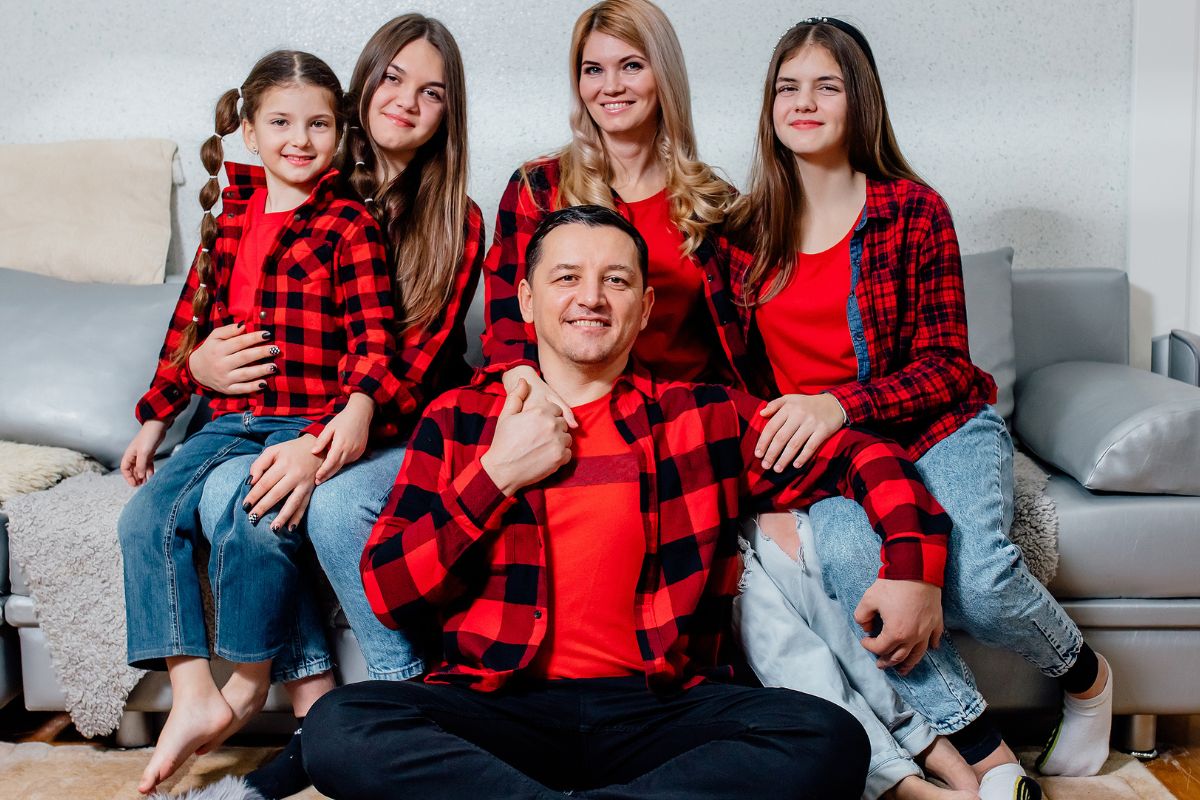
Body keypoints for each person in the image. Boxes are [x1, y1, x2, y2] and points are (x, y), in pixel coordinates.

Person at [297, 204, 972, 799]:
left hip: (659, 710)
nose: (590, 297)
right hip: (500, 705)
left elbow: (859, 455)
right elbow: (388, 591)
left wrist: (914, 566)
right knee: (337, 727)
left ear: (645, 306)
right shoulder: (461, 420)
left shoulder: (703, 418)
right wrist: (496, 474)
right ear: (527, 301)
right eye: (567, 278)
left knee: (829, 740)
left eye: (615, 280)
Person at [726, 17, 1113, 800]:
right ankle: (986, 755)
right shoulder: (741, 236)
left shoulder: (912, 211)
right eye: (786, 87)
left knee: (979, 576)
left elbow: (945, 366)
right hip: (835, 467)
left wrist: (840, 403)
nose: (803, 102)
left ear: (859, 101)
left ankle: (1087, 679)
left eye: (826, 86)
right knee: (845, 564)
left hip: (939, 428)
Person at [189, 14, 484, 800]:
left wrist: (317, 447)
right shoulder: (301, 180)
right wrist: (199, 363)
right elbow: (221, 303)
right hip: (283, 417)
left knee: (333, 502)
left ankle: (406, 696)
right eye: (393, 79)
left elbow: (411, 370)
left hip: (398, 421)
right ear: (362, 84)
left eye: (433, 92)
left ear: (450, 112)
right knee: (230, 491)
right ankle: (316, 713)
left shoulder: (457, 217)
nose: (408, 102)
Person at [117, 50, 399, 795]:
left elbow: (377, 337)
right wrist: (155, 415)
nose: (299, 140)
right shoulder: (230, 213)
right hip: (222, 419)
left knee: (253, 517)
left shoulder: (349, 224)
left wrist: (358, 406)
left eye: (319, 125)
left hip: (300, 420)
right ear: (247, 130)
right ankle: (191, 690)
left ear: (341, 133)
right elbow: (189, 325)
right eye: (279, 122)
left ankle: (245, 684)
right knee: (143, 519)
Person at [483, 0, 759, 425]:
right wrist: (523, 381)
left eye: (631, 66)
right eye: (593, 69)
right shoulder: (538, 188)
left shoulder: (713, 201)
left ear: (663, 75)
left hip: (686, 419)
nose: (610, 86)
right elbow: (505, 316)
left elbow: (745, 337)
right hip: (573, 417)